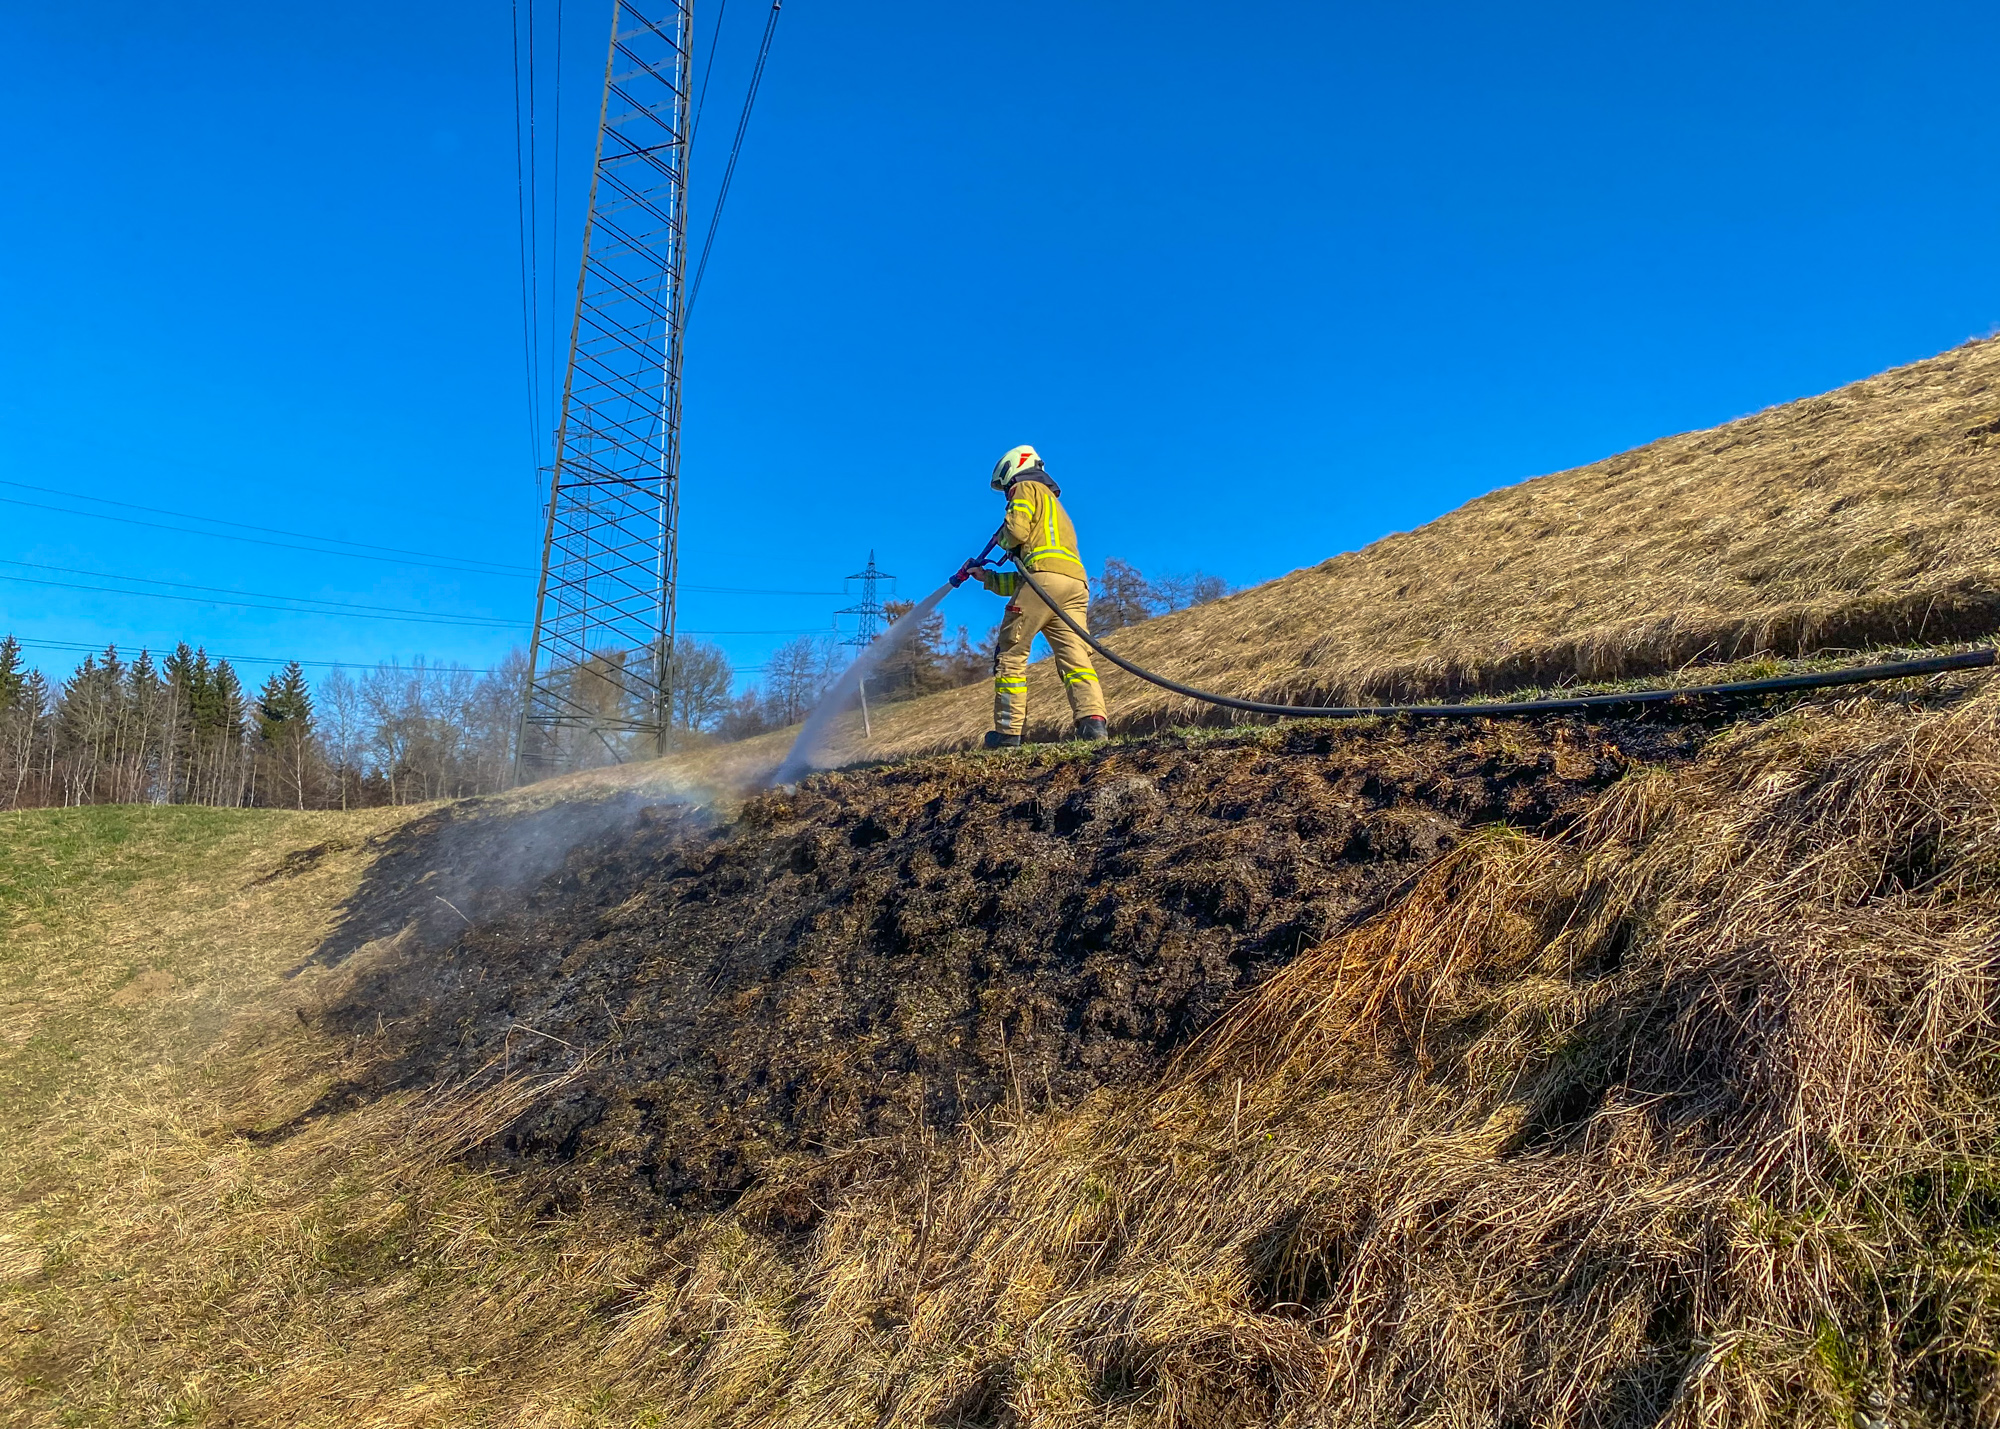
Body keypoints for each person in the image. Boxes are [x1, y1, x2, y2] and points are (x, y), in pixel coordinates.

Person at [953, 445, 1108, 747]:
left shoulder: (1024, 487)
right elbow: (1035, 574)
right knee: (1075, 658)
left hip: (1045, 582)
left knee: (1010, 654)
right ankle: (1093, 724)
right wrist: (988, 578)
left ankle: (1008, 733)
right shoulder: (1054, 506)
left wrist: (1003, 539)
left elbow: (1017, 534)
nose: (1006, 494)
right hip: (1075, 585)